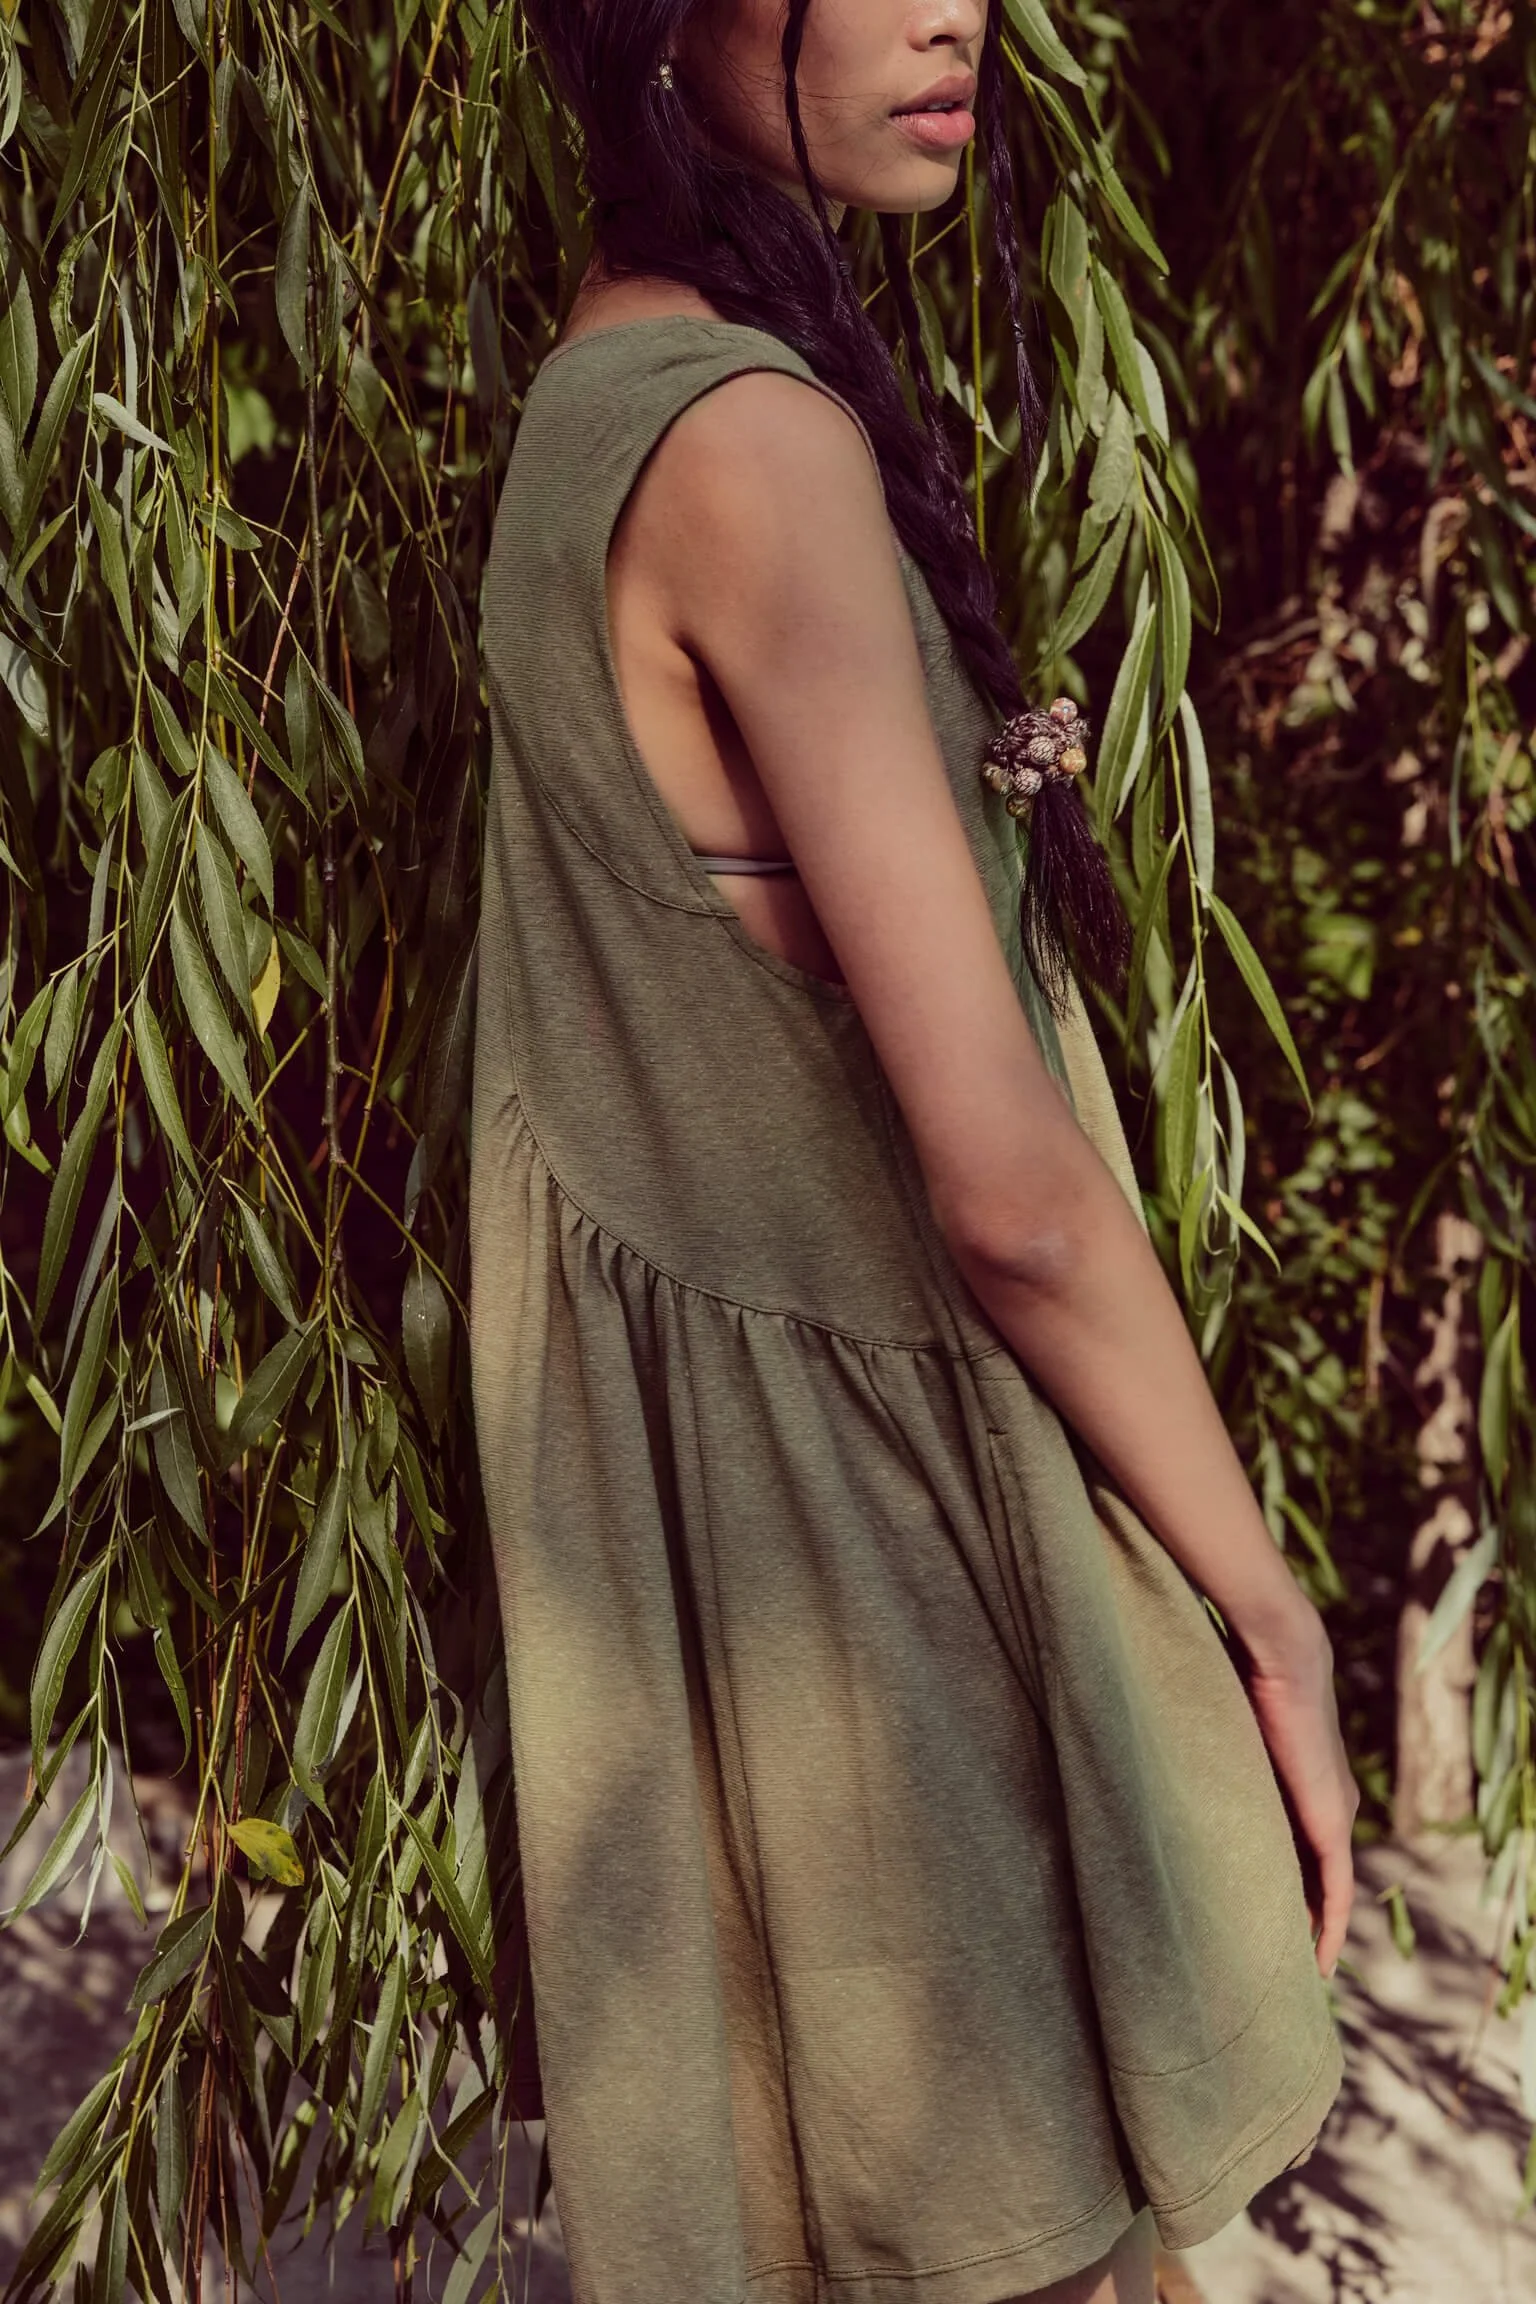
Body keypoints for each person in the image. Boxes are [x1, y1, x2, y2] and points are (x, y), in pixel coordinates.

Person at [467, 5, 1355, 2302]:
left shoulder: (595, 401)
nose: (956, 11)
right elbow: (1014, 1195)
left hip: (748, 1611)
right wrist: (1273, 1621)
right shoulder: (746, 447)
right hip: (890, 1626)